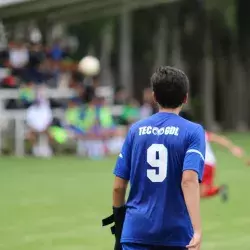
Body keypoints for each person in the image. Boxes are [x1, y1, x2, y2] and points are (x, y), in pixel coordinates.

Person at [103, 66, 205, 250]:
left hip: (135, 231)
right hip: (177, 233)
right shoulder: (193, 131)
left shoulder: (135, 130)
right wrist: (197, 230)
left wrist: (119, 225)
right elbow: (189, 181)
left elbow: (118, 187)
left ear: (154, 97)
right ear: (186, 97)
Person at [201, 131, 247, 200]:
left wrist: (233, 148)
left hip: (203, 164)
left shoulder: (194, 132)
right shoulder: (199, 131)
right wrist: (232, 148)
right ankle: (219, 190)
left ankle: (219, 190)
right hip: (208, 163)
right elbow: (218, 139)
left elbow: (217, 139)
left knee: (195, 192)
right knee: (196, 192)